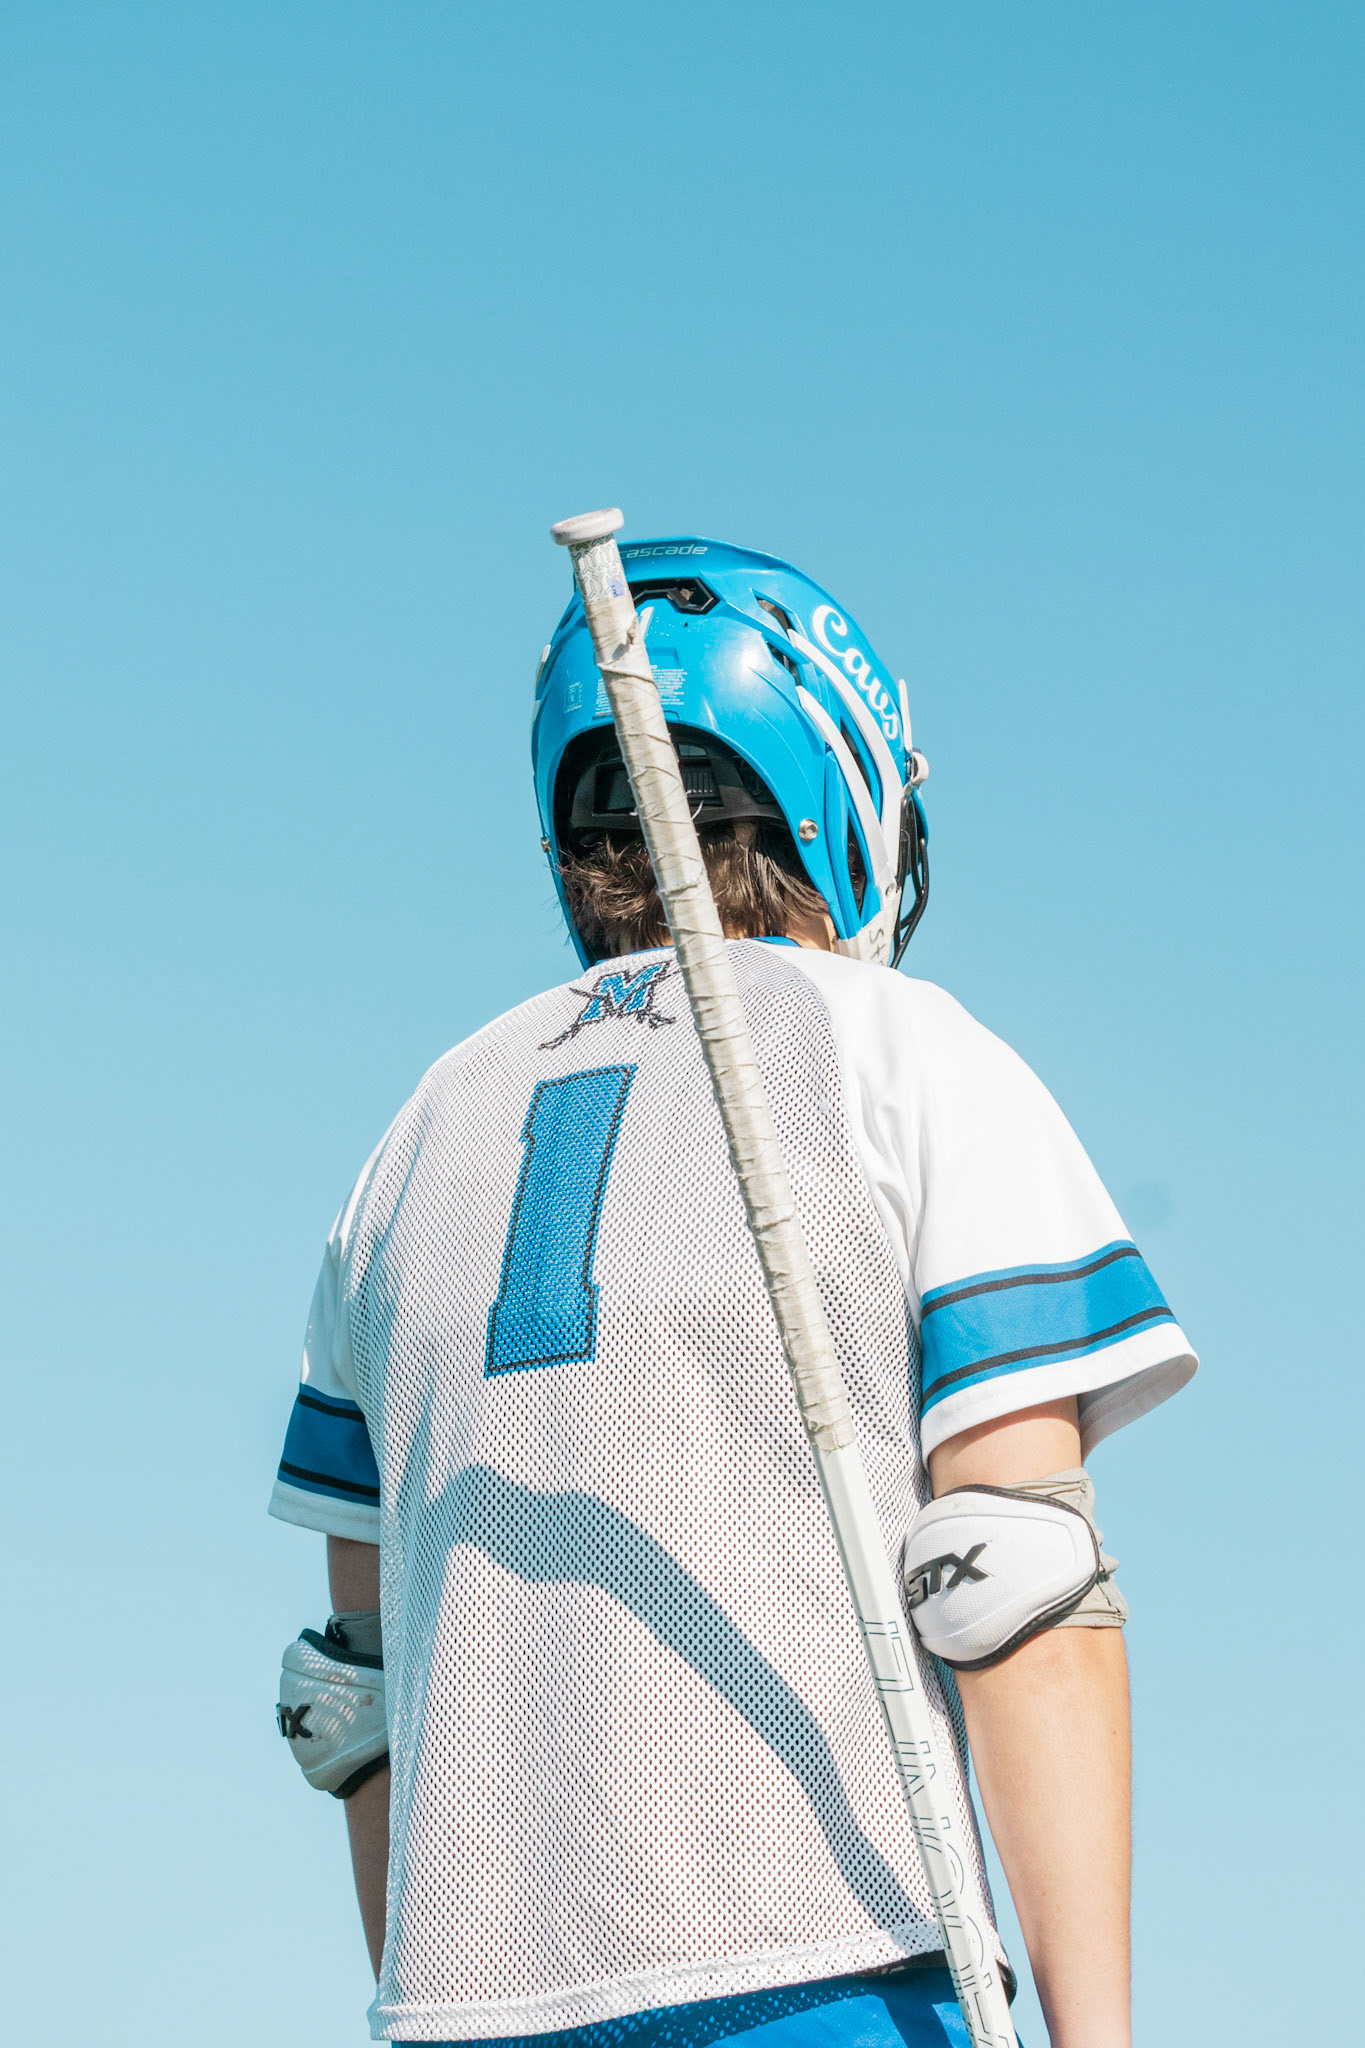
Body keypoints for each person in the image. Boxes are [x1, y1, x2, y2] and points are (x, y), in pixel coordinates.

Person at [269, 536, 1196, 2048]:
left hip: (462, 2005)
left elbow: (350, 1698)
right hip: (826, 1962)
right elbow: (1012, 1583)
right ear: (840, 786)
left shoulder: (415, 1132)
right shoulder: (903, 1050)